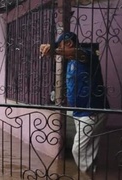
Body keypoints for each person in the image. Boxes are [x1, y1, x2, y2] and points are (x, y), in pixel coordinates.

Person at [40, 32, 109, 172]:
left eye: (61, 46)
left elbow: (77, 53)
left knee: (78, 149)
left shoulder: (88, 56)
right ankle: (92, 171)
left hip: (92, 109)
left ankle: (86, 176)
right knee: (89, 148)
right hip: (80, 110)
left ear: (69, 44)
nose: (59, 52)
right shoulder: (71, 61)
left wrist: (54, 49)